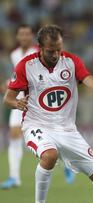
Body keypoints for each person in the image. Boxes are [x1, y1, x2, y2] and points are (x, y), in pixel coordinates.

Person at [3, 24, 93, 203]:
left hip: (68, 130)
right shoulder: (26, 66)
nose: (56, 55)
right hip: (37, 125)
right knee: (49, 156)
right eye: (50, 51)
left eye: (58, 49)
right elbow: (7, 99)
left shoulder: (71, 62)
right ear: (40, 48)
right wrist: (16, 102)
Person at [0, 24, 74, 190]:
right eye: (21, 34)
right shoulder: (15, 54)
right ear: (17, 37)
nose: (24, 37)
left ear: (32, 36)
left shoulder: (39, 52)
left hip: (38, 103)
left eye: (27, 34)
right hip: (20, 101)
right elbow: (18, 77)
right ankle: (14, 177)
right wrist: (8, 85)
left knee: (50, 138)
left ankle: (66, 164)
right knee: (14, 135)